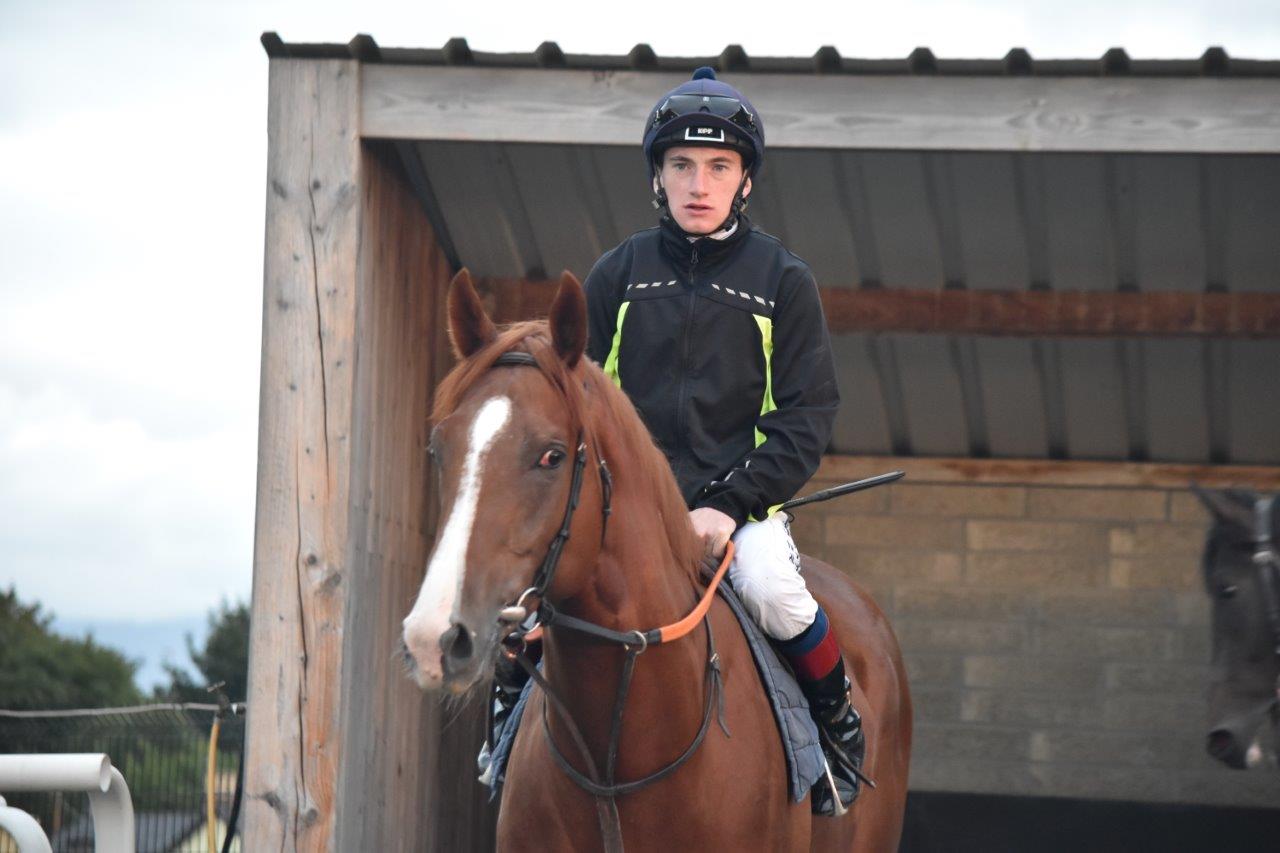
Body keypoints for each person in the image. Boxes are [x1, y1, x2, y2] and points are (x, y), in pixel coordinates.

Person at [485, 66, 864, 816]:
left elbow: (806, 416)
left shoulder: (783, 281)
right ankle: (503, 737)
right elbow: (568, 398)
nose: (700, 182)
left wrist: (730, 504)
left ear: (744, 181)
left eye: (719, 166)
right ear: (658, 176)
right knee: (527, 606)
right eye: (682, 165)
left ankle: (835, 730)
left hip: (739, 516)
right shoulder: (618, 275)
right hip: (618, 515)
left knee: (780, 594)